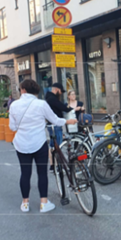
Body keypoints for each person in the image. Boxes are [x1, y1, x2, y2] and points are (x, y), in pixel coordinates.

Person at [9, 79, 77, 213]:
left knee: (25, 173)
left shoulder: (14, 105)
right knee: (42, 173)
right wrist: (68, 121)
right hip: (39, 143)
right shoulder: (41, 104)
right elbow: (55, 120)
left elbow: (12, 127)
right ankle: (44, 203)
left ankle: (25, 204)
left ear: (23, 90)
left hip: (21, 144)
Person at [45, 83, 73, 151]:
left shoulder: (49, 97)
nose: (61, 93)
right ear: (56, 89)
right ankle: (56, 160)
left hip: (52, 124)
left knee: (53, 144)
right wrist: (73, 109)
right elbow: (63, 107)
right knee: (58, 145)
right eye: (61, 91)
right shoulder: (52, 98)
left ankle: (53, 160)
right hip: (55, 125)